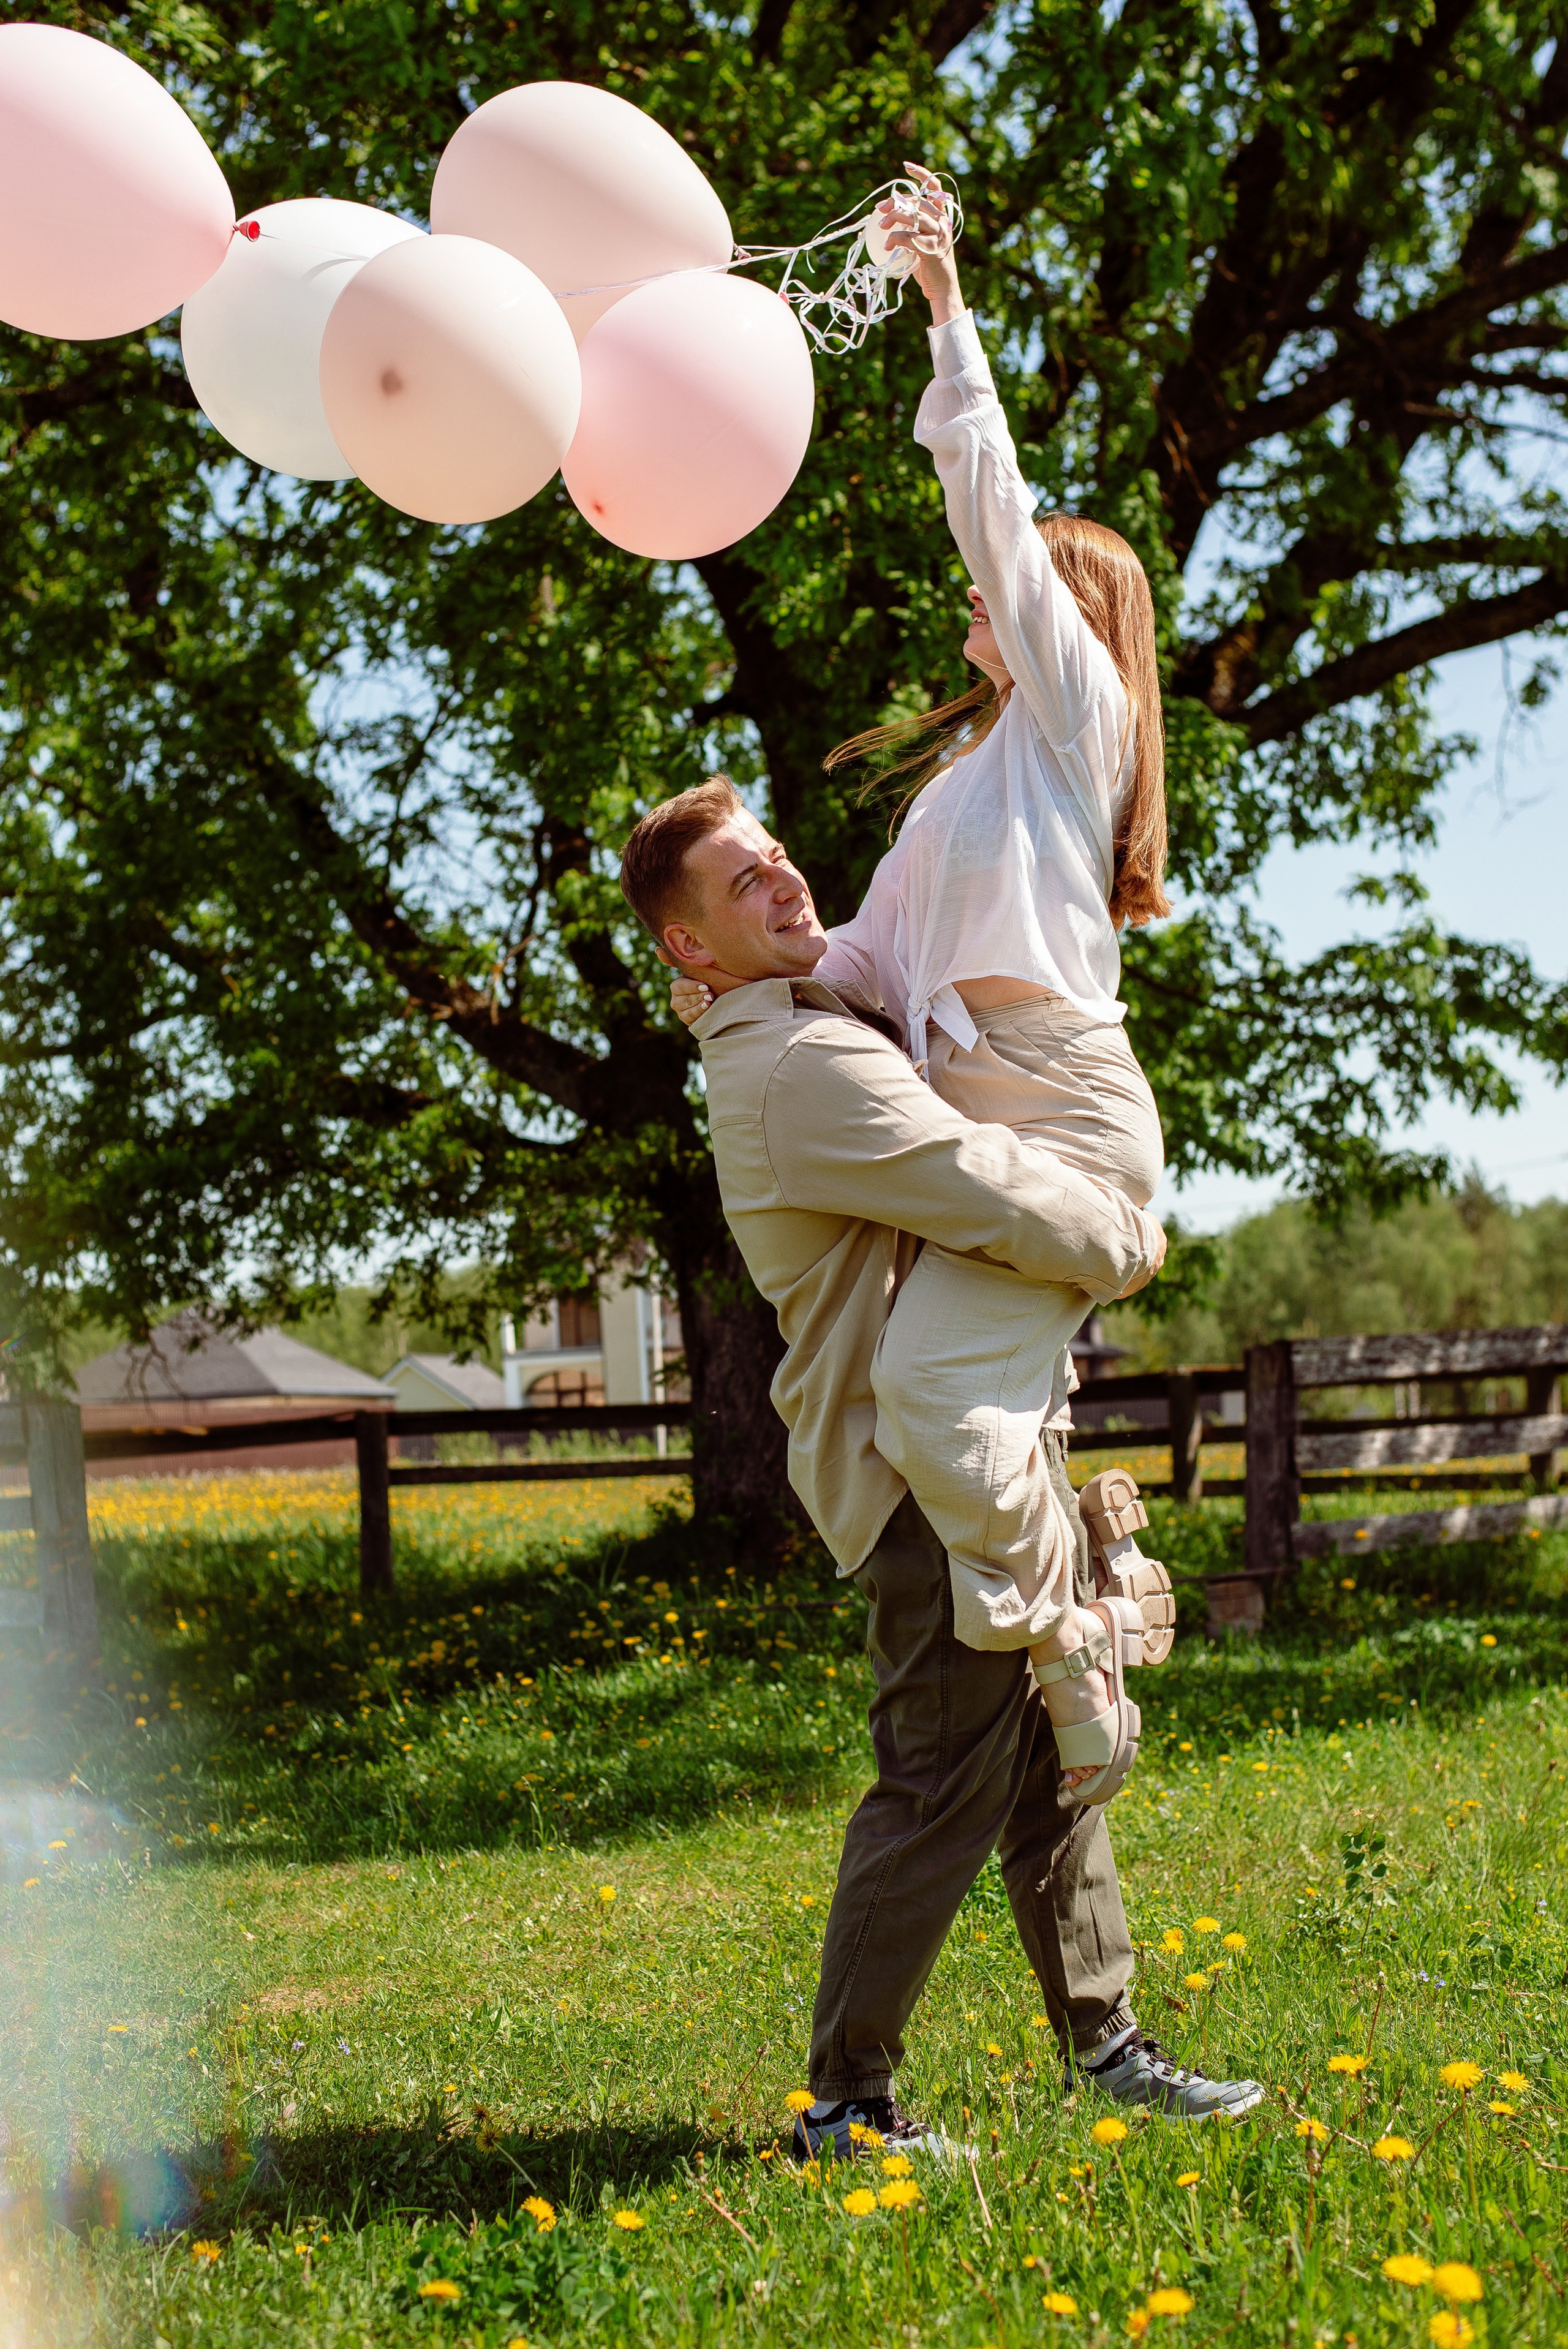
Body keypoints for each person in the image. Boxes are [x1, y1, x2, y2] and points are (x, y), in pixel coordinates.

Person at [617, 779, 1264, 2153]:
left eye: (778, 856)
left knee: (1048, 1754)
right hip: (913, 1473)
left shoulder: (800, 1020)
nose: (786, 883)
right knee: (940, 1774)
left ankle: (1108, 2044)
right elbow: (977, 1178)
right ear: (687, 949)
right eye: (745, 884)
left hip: (978, 1447)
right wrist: (1122, 1233)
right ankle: (848, 2101)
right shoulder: (796, 1064)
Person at [666, 163, 1174, 1807]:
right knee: (936, 1409)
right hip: (990, 1138)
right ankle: (1072, 1615)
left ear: (1071, 625)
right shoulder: (953, 799)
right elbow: (870, 972)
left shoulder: (1072, 728)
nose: (987, 582)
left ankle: (1063, 1632)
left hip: (1064, 1113)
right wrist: (747, 989)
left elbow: (989, 501)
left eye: (1022, 574)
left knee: (949, 1409)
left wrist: (946, 311)